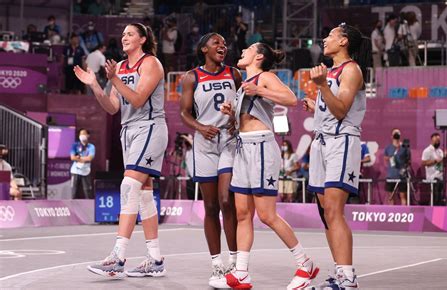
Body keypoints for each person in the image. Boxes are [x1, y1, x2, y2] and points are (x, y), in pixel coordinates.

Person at [219, 42, 318, 289]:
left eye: (249, 48)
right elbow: (247, 117)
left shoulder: (265, 77)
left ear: (259, 56)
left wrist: (259, 91)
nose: (242, 51)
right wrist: (232, 113)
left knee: (267, 215)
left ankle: (305, 263)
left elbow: (291, 98)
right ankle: (241, 272)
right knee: (243, 214)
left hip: (261, 148)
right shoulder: (244, 85)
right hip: (242, 147)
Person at [74, 22, 168, 278]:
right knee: (144, 194)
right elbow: (113, 107)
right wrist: (95, 84)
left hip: (150, 127)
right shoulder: (121, 67)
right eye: (123, 34)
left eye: (129, 34)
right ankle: (155, 259)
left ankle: (118, 256)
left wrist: (113, 77)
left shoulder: (151, 64)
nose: (124, 37)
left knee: (128, 187)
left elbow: (138, 100)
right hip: (128, 130)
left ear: (142, 39)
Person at [303, 23, 371, 289]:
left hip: (341, 143)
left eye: (330, 35)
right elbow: (332, 106)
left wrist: (321, 86)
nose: (324, 38)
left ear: (344, 41)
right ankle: (340, 273)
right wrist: (316, 104)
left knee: (333, 210)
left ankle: (347, 277)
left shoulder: (351, 69)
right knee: (325, 213)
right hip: (322, 142)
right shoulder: (332, 71)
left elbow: (341, 110)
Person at [180, 32, 241, 288]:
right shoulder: (190, 77)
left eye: (224, 44)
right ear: (204, 48)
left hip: (228, 142)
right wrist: (200, 126)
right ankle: (216, 265)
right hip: (204, 145)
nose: (222, 46)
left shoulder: (234, 74)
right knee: (211, 206)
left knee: (227, 201)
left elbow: (242, 105)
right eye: (217, 42)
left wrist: (234, 121)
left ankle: (237, 263)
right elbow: (184, 112)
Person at [384, 128, 409, 205]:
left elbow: (408, 161)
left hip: (401, 176)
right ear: (392, 136)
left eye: (398, 133)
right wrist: (390, 158)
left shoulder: (404, 147)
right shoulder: (388, 148)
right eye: (395, 133)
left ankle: (405, 215)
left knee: (403, 196)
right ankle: (392, 214)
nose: (396, 134)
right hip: (391, 176)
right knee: (390, 197)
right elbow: (385, 159)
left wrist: (404, 169)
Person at [70, 129, 95, 199]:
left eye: (84, 134)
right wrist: (83, 159)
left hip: (86, 171)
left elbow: (90, 158)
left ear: (88, 135)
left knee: (87, 191)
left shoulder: (91, 147)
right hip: (75, 171)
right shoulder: (75, 145)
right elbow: (72, 157)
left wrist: (79, 158)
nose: (82, 136)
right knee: (73, 191)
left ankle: (89, 208)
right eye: (80, 134)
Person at [421, 133, 446, 205]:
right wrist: (435, 161)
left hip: (440, 177)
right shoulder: (427, 150)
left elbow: (444, 164)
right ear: (432, 140)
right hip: (432, 178)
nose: (438, 142)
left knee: (439, 198)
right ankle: (432, 213)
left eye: (439, 141)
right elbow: (423, 163)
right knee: (434, 198)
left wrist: (445, 157)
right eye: (436, 141)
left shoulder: (440, 151)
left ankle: (438, 214)